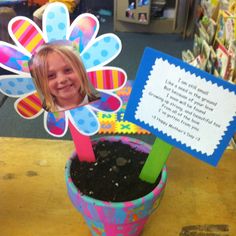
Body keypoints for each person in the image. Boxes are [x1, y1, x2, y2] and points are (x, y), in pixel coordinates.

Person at [29, 41, 100, 112]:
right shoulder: (43, 115)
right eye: (50, 75)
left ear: (80, 71)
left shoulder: (101, 104)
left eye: (68, 70)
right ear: (41, 84)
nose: (62, 79)